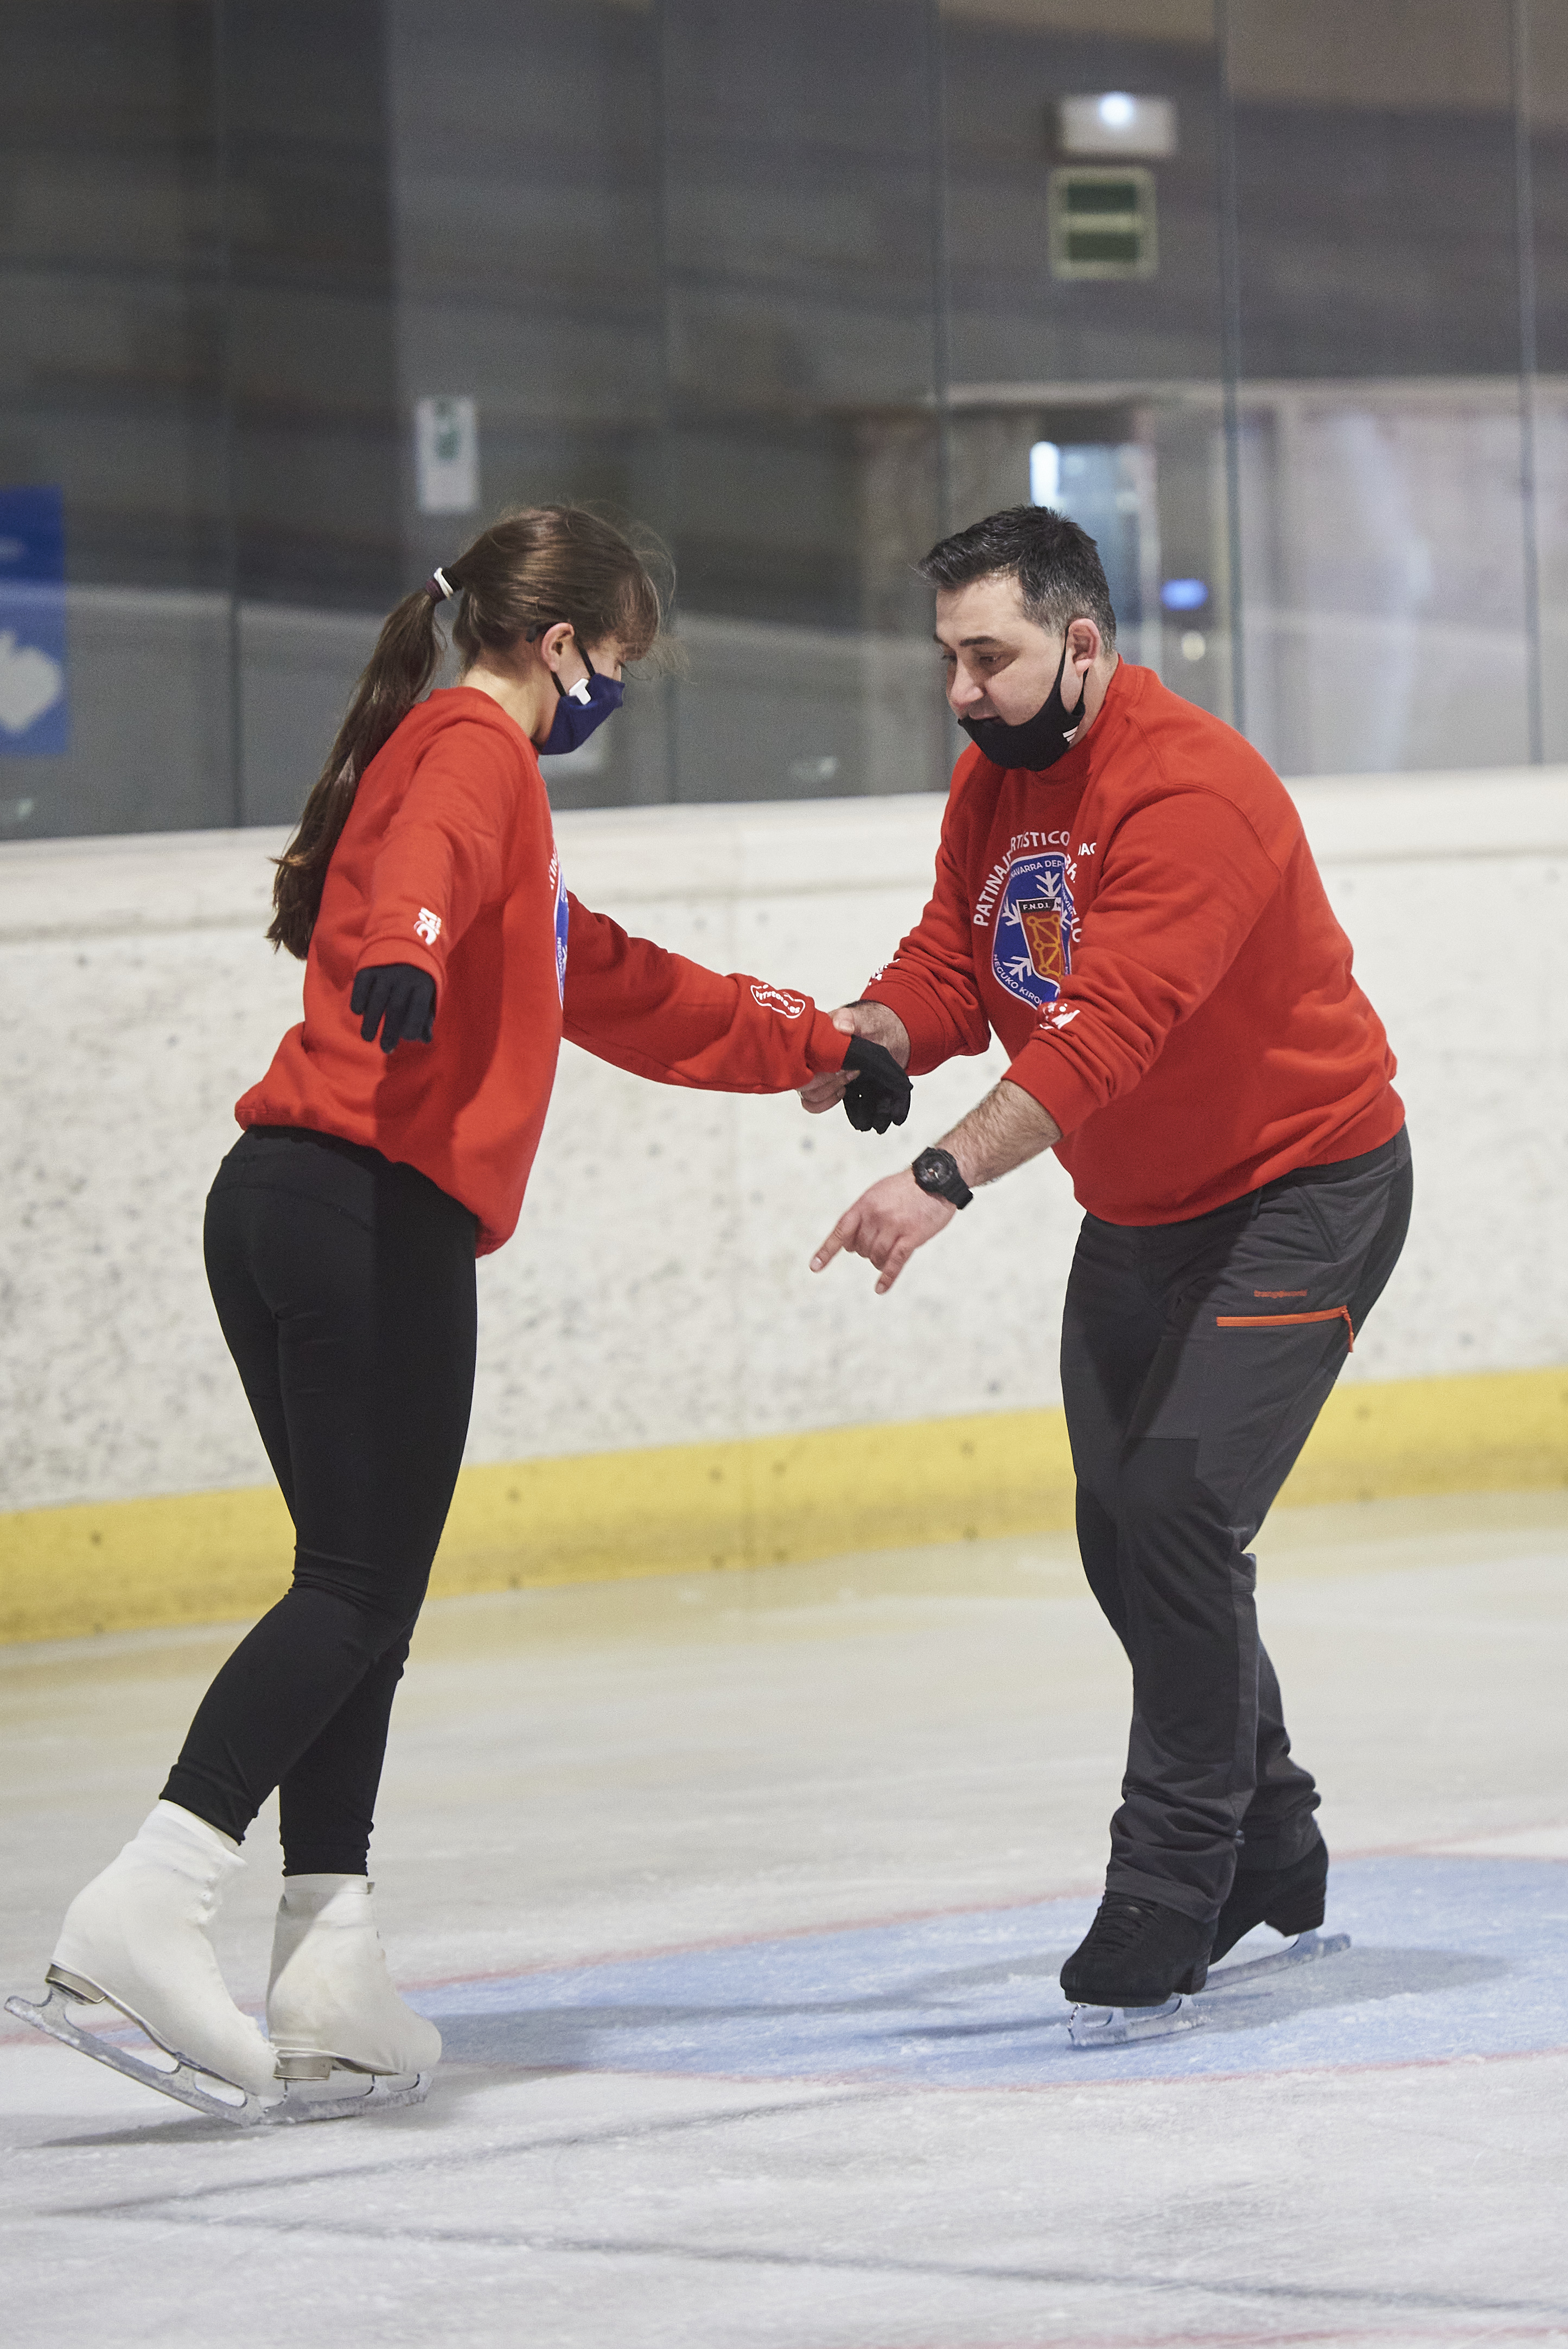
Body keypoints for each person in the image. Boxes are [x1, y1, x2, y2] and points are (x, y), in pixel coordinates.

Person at [35, 505, 909, 2115]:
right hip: (365, 1208)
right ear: (559, 643)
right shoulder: (470, 745)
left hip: (291, 1205)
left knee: (357, 1593)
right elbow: (427, 861)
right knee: (361, 1590)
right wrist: (411, 951)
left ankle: (329, 1950)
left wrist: (821, 1036)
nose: (613, 697)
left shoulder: (496, 807)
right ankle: (148, 1898)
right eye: (618, 665)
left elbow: (624, 985)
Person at [805, 504, 1411, 2021]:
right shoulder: (992, 783)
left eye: (988, 657)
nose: (961, 689)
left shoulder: (1192, 785)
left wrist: (941, 1171)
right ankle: (1273, 1831)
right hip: (1138, 1213)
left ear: (1081, 643)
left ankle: (1173, 1873)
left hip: (1303, 1189)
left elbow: (1109, 1021)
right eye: (947, 657)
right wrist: (876, 1033)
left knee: (1175, 1503)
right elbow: (963, 957)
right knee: (1120, 1530)